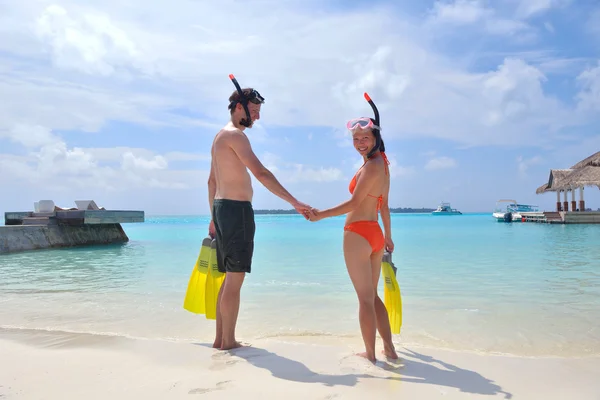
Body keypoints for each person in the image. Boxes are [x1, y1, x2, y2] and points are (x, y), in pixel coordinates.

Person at [207, 75, 311, 350]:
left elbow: (211, 182)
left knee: (229, 279)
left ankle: (221, 339)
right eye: (254, 112)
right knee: (235, 279)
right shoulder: (235, 136)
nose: (257, 118)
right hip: (236, 211)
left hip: (222, 209)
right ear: (239, 107)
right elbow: (261, 173)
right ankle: (228, 341)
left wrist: (212, 218)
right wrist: (294, 202)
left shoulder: (219, 137)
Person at [307, 93, 398, 362]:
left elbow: (355, 202)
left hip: (358, 234)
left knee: (364, 299)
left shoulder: (371, 167)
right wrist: (389, 237)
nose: (359, 143)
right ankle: (389, 349)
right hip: (375, 236)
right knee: (372, 296)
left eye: (365, 139)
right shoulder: (383, 165)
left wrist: (321, 215)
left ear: (376, 139)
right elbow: (384, 206)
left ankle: (370, 354)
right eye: (355, 140)